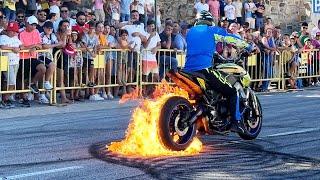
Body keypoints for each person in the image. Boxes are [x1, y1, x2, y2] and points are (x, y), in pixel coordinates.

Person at [184, 11, 250, 133]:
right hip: (203, 69)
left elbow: (201, 47)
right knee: (232, 91)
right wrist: (248, 46)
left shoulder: (190, 33)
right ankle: (236, 122)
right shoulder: (212, 30)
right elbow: (230, 38)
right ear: (210, 21)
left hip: (187, 70)